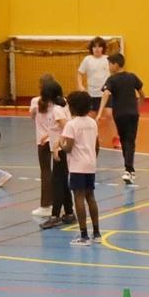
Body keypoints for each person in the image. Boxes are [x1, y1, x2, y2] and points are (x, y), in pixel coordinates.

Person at [60, 90, 102, 247]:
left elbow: (69, 147)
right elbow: (97, 145)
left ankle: (84, 235)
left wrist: (61, 143)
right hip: (90, 164)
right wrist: (92, 158)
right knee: (90, 196)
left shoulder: (71, 125)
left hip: (77, 165)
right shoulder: (92, 122)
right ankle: (96, 232)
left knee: (78, 196)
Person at [103, 52, 144, 184]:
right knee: (130, 140)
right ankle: (129, 170)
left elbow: (106, 94)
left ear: (115, 64)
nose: (108, 67)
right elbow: (142, 94)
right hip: (132, 114)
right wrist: (138, 105)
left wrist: (99, 112)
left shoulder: (111, 79)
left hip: (119, 115)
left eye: (109, 64)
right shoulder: (132, 77)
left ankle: (128, 170)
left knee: (125, 140)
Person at [30, 76, 65, 225]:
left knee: (45, 172)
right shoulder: (62, 103)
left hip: (43, 140)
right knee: (60, 174)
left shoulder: (35, 102)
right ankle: (62, 205)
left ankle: (46, 205)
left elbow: (32, 116)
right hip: (58, 140)